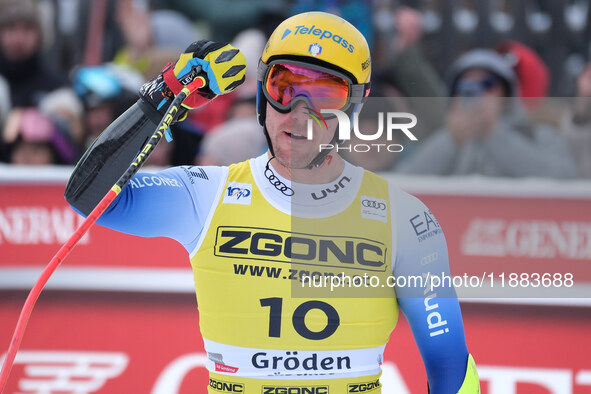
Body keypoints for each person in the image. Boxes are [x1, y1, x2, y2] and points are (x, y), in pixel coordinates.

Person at [65, 12, 479, 393]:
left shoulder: (405, 220)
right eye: (285, 88)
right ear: (262, 93)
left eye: (324, 96)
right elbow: (88, 196)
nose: (299, 114)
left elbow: (450, 368)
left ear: (354, 106)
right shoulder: (208, 194)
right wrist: (165, 95)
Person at [397, 49, 579, 178]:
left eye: (487, 85)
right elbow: (403, 183)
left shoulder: (539, 134)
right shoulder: (435, 137)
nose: (478, 96)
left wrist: (495, 134)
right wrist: (450, 140)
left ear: (507, 96)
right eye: (466, 89)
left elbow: (565, 178)